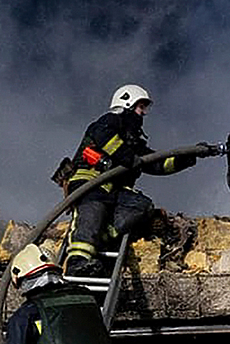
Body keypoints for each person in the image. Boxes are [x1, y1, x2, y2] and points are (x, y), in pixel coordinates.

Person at [63, 83, 198, 277]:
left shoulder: (133, 140)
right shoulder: (110, 121)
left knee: (141, 205)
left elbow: (155, 164)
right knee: (92, 213)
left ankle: (102, 236)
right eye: (140, 107)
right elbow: (104, 137)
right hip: (91, 182)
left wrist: (188, 157)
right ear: (127, 103)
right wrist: (127, 157)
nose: (143, 113)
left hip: (115, 189)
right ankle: (78, 262)